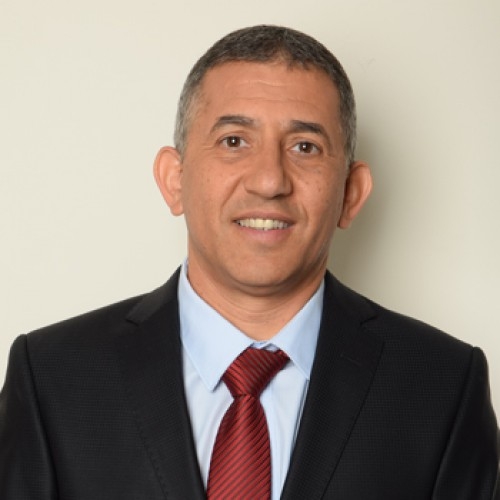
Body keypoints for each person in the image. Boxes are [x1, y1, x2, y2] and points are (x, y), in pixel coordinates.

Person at [0, 25, 498, 499]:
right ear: (174, 180)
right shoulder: (51, 378)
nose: (269, 181)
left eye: (305, 147)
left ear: (351, 193)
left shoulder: (442, 387)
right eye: (234, 141)